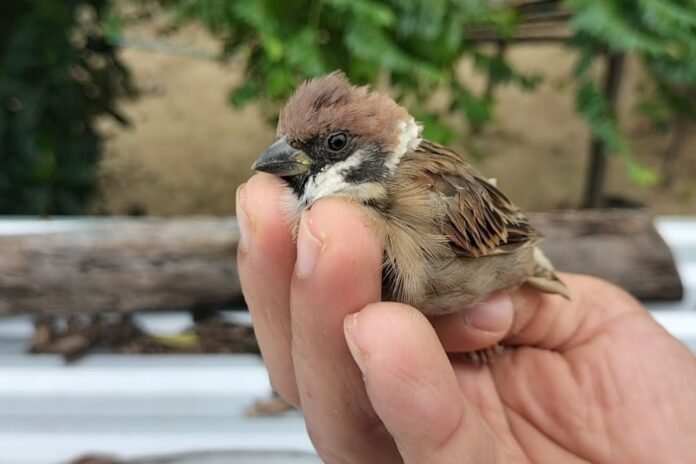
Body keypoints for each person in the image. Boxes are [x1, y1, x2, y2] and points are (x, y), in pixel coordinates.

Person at [237, 173, 696, 464]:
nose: (291, 161)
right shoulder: (315, 212)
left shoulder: (428, 196)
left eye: (330, 147)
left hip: (506, 273)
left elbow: (512, 235)